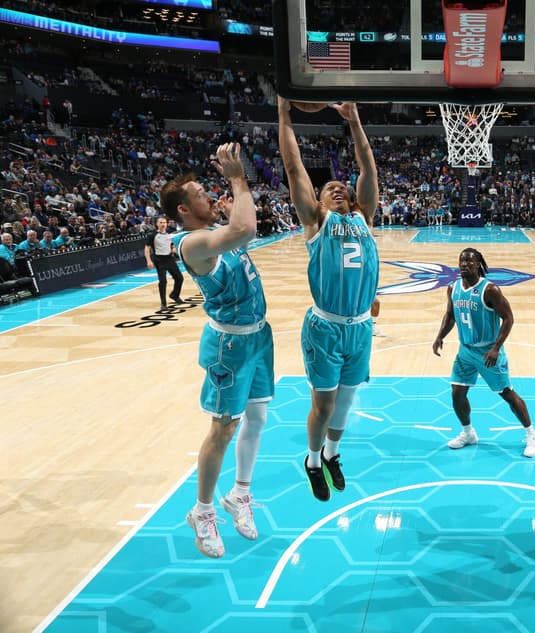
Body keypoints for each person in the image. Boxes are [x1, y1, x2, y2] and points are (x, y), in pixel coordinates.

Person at [161, 143, 274, 558]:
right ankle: (202, 511)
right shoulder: (191, 245)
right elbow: (245, 231)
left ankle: (239, 495)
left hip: (259, 336)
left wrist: (231, 207)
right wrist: (238, 177)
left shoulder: (213, 232)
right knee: (223, 428)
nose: (209, 195)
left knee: (257, 417)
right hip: (230, 345)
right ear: (183, 210)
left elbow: (239, 231)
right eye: (199, 194)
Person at [278, 97, 379, 502]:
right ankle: (313, 460)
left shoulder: (364, 217)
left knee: (346, 403)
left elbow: (368, 167)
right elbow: (293, 168)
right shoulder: (316, 220)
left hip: (361, 328)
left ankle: (333, 454)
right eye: (328, 188)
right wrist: (284, 114)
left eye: (342, 187)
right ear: (318, 201)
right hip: (325, 327)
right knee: (323, 406)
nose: (337, 188)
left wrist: (355, 121)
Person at [432, 248, 535, 457]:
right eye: (462, 260)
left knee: (507, 394)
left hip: (487, 351)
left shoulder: (490, 290)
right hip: (465, 351)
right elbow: (450, 315)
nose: (465, 264)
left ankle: (531, 434)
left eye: (470, 261)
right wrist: (440, 336)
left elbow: (508, 318)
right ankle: (468, 433)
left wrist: (496, 348)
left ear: (478, 264)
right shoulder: (453, 288)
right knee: (457, 393)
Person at [144, 216, 184, 309]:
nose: (163, 224)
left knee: (179, 278)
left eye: (164, 222)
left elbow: (172, 246)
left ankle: (174, 295)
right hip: (159, 260)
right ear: (157, 224)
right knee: (163, 281)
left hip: (169, 259)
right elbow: (147, 248)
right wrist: (148, 260)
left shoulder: (169, 235)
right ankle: (163, 303)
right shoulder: (153, 235)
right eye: (161, 222)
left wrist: (174, 250)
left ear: (167, 224)